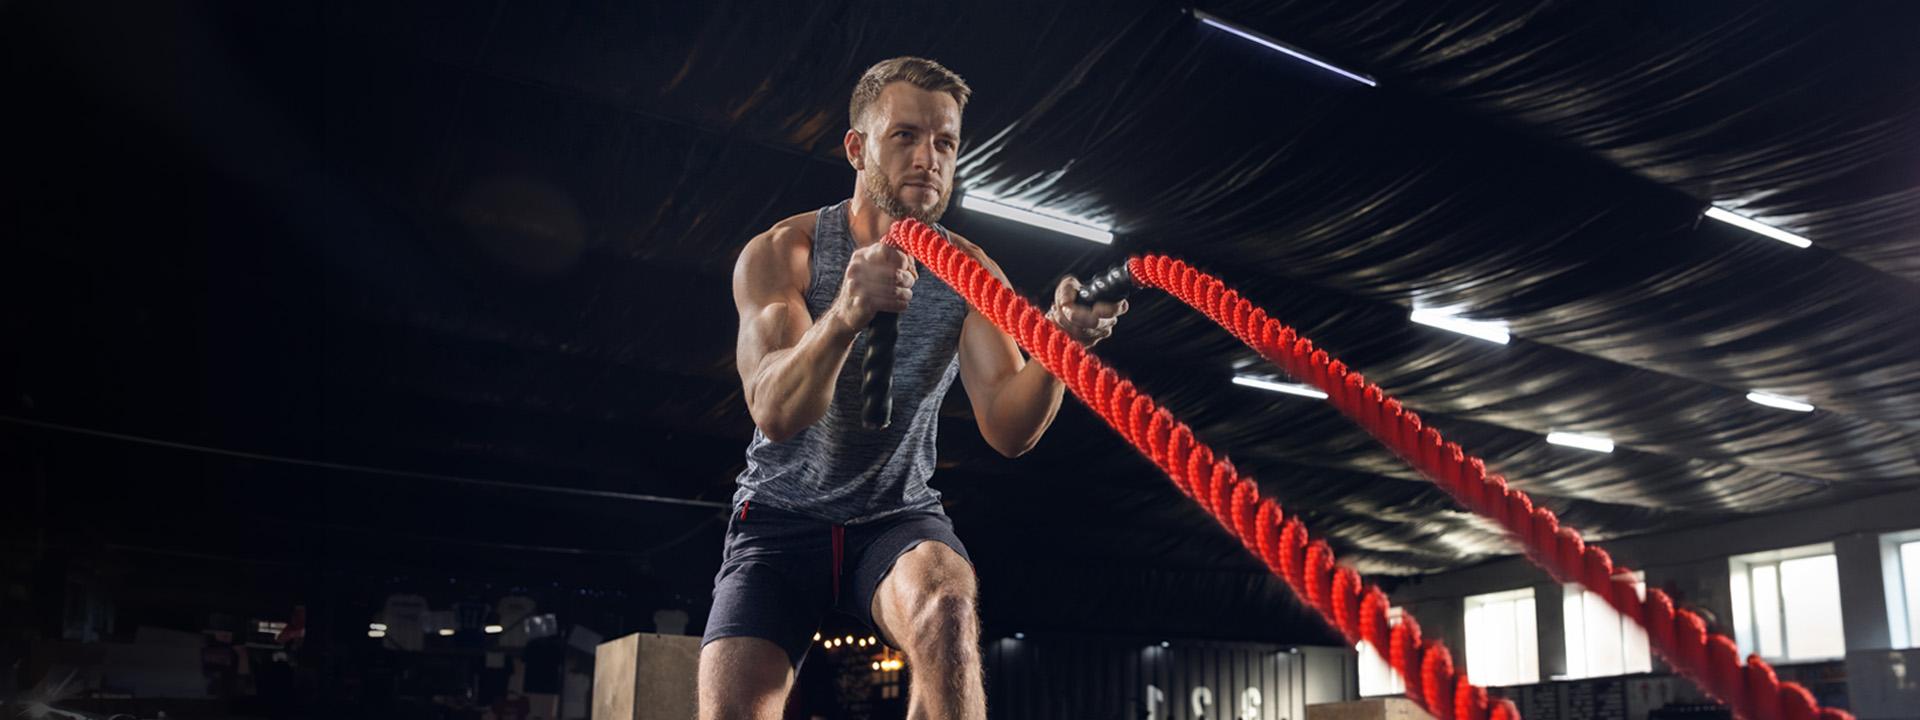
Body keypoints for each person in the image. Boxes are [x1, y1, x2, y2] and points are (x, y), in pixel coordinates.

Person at [700, 57, 1127, 720]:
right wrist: (846, 311)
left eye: (945, 142)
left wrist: (1059, 351)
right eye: (905, 136)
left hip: (895, 517)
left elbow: (1009, 429)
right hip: (781, 522)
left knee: (947, 608)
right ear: (857, 147)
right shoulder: (786, 252)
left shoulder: (972, 273)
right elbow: (775, 412)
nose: (929, 158)